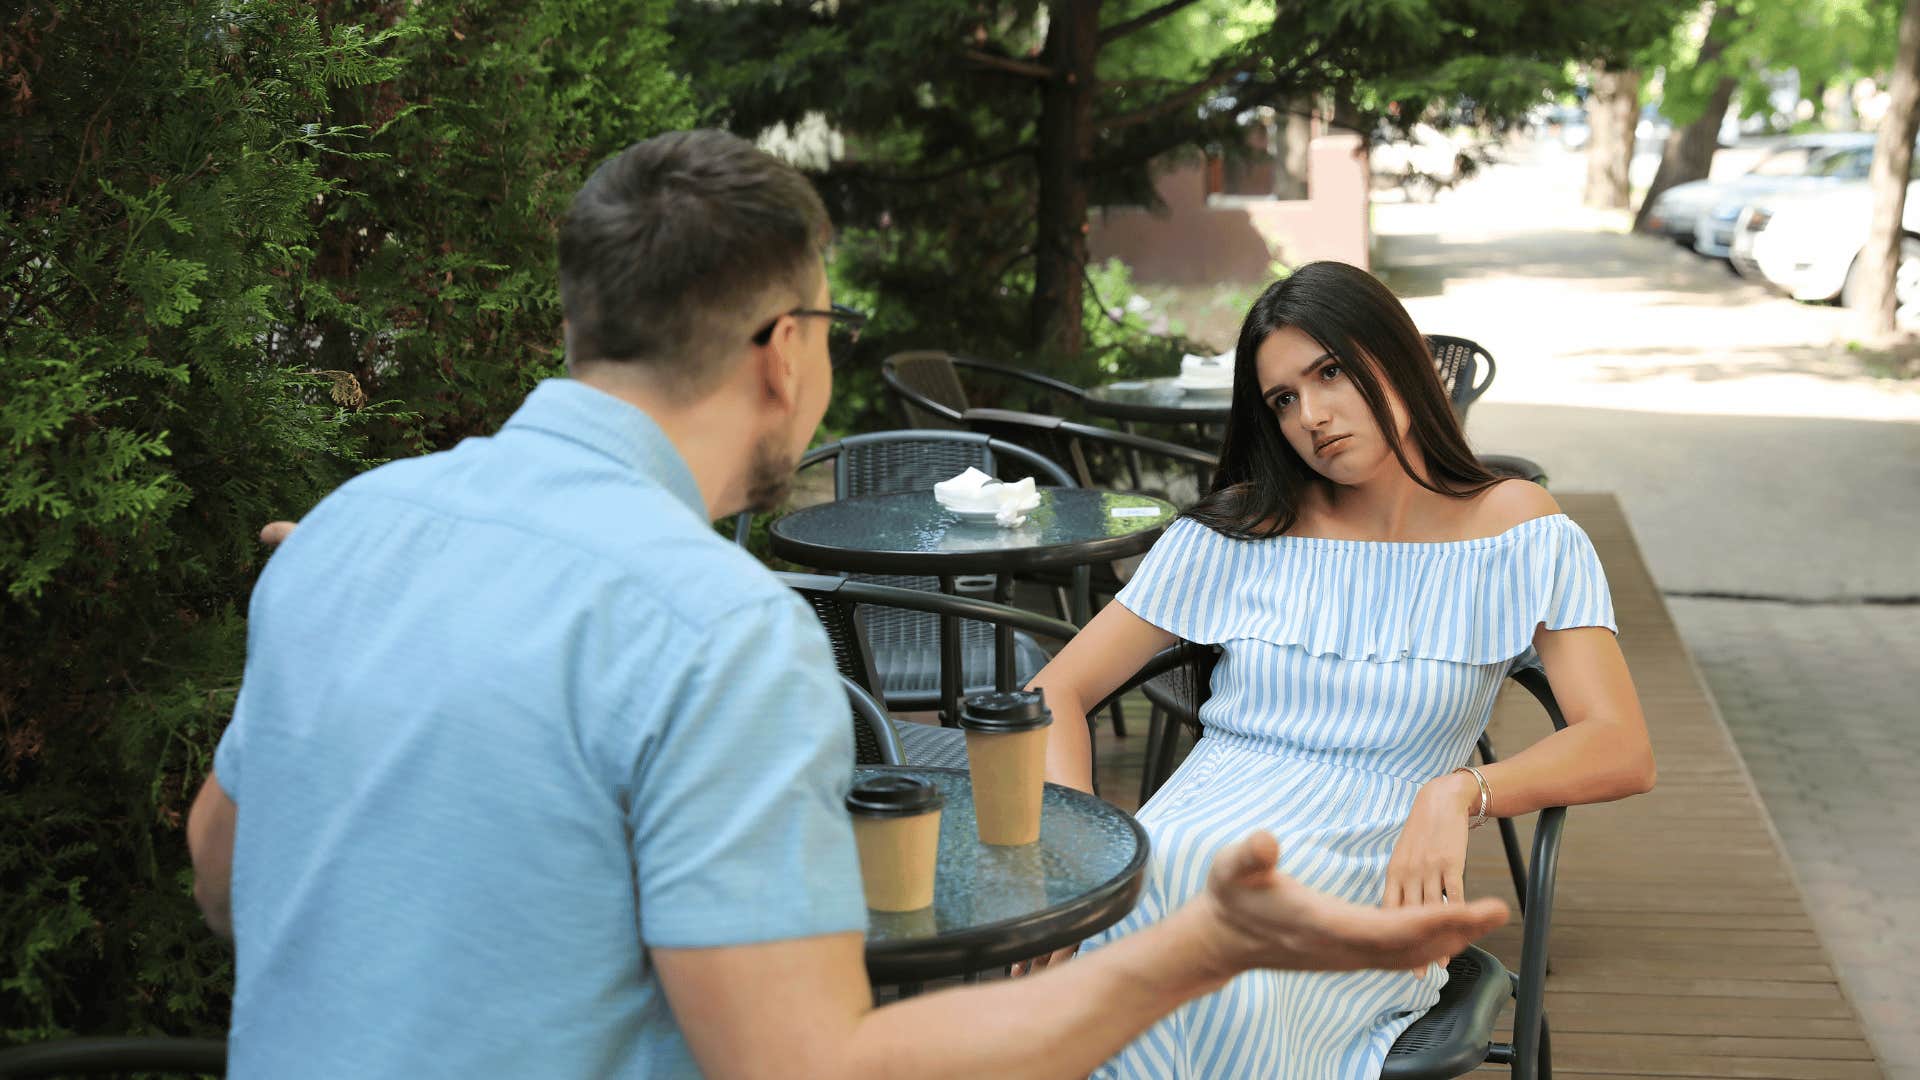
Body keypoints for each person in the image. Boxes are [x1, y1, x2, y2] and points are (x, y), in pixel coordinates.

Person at [186, 133, 1507, 1079]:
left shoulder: (346, 532)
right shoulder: (716, 631)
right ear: (787, 351)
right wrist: (1199, 945)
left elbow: (227, 880)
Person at [1018, 260, 1657, 1078]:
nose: (1311, 416)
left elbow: (1620, 745)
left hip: (1367, 868)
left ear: (1398, 358)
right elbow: (1055, 691)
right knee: (1119, 941)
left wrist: (1461, 790)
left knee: (1229, 964)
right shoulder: (1242, 530)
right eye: (1283, 399)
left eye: (1330, 373)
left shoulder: (1518, 529)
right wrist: (1078, 862)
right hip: (1188, 841)